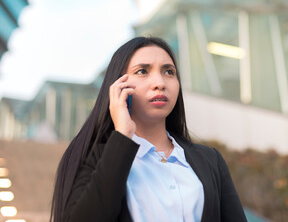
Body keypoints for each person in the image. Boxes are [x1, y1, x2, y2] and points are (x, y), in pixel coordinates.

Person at [50, 36, 248, 222]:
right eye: (142, 71)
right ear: (118, 86)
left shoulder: (210, 160)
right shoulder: (92, 158)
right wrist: (122, 136)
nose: (160, 83)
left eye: (169, 72)